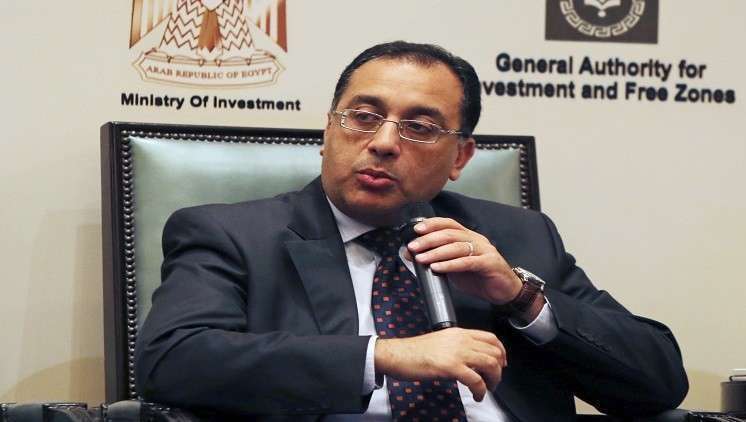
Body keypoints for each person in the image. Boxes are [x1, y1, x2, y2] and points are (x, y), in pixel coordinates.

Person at [135, 41, 688, 421]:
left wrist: (519, 297)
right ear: (328, 131)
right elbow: (173, 362)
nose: (382, 143)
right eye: (363, 117)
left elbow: (659, 381)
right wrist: (384, 355)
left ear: (460, 157)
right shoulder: (231, 235)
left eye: (420, 127)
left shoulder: (516, 237)